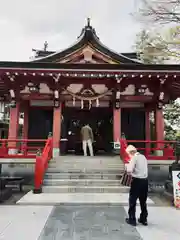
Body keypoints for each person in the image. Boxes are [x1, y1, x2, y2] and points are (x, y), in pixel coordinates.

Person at [125, 145, 148, 226]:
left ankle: (132, 219)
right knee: (143, 201)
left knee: (132, 200)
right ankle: (143, 219)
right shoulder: (143, 157)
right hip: (145, 181)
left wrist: (127, 167)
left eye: (128, 154)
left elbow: (129, 170)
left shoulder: (134, 158)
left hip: (137, 181)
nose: (128, 156)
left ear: (131, 152)